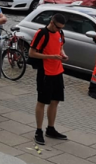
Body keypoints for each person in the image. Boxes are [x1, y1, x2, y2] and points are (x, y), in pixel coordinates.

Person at [28, 13, 69, 145]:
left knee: (55, 101)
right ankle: (38, 131)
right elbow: (32, 53)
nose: (59, 30)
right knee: (42, 101)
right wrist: (51, 57)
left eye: (61, 28)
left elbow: (61, 46)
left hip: (58, 71)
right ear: (52, 22)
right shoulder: (42, 33)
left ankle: (50, 129)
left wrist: (63, 55)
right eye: (57, 27)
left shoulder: (60, 33)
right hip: (45, 72)